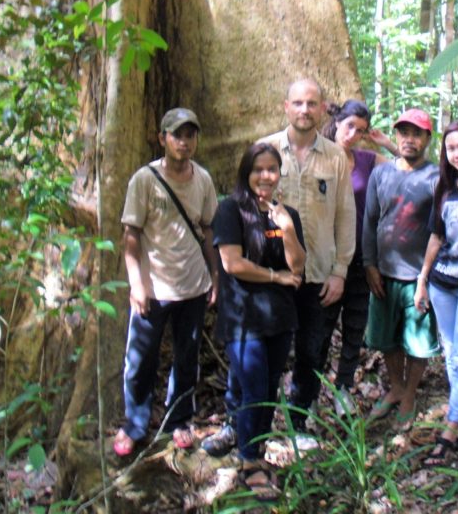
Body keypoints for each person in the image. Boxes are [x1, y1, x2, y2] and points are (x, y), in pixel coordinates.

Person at [203, 78, 355, 455]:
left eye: (312, 104)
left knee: (310, 350)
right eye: (298, 103)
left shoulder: (335, 156)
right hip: (266, 275)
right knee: (250, 351)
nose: (305, 110)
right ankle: (235, 423)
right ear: (286, 106)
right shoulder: (268, 150)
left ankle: (298, 420)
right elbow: (240, 203)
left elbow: (345, 215)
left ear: (322, 110)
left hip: (315, 270)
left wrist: (340, 270)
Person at [114, 108, 219, 457]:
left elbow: (207, 229)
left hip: (193, 285)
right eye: (177, 135)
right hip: (154, 288)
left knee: (187, 357)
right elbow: (132, 234)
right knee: (140, 359)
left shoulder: (202, 179)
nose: (184, 142)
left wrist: (214, 275)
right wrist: (137, 284)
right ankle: (135, 424)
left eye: (190, 135)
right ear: (163, 139)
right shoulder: (144, 180)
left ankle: (179, 420)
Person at [212, 143, 306, 499]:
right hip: (242, 317)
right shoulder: (230, 210)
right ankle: (249, 461)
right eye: (258, 169)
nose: (265, 176)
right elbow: (233, 264)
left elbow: (298, 266)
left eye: (272, 169)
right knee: (253, 389)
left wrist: (287, 230)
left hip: (280, 318)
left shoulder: (287, 214)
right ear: (246, 173)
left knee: (267, 390)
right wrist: (274, 276)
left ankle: (256, 449)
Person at [414, 119, 458, 464]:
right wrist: (422, 278)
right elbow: (436, 237)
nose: (457, 153)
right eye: (451, 147)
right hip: (442, 283)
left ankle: (454, 424)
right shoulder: (445, 188)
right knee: (450, 351)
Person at [362, 108, 440, 427]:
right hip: (384, 272)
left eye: (416, 133)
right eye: (404, 133)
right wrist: (369, 265)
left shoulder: (436, 177)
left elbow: (439, 230)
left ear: (426, 139)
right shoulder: (381, 174)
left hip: (418, 277)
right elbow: (369, 221)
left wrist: (426, 276)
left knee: (418, 341)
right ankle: (395, 387)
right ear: (397, 136)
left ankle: (409, 393)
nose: (409, 139)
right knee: (385, 337)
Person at [321, 100, 396, 414]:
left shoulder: (369, 160)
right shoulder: (317, 157)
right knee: (319, 328)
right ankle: (310, 391)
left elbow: (413, 168)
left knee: (354, 327)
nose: (353, 134)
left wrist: (386, 143)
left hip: (360, 258)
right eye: (349, 126)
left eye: (361, 131)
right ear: (337, 122)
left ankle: (343, 389)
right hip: (324, 258)